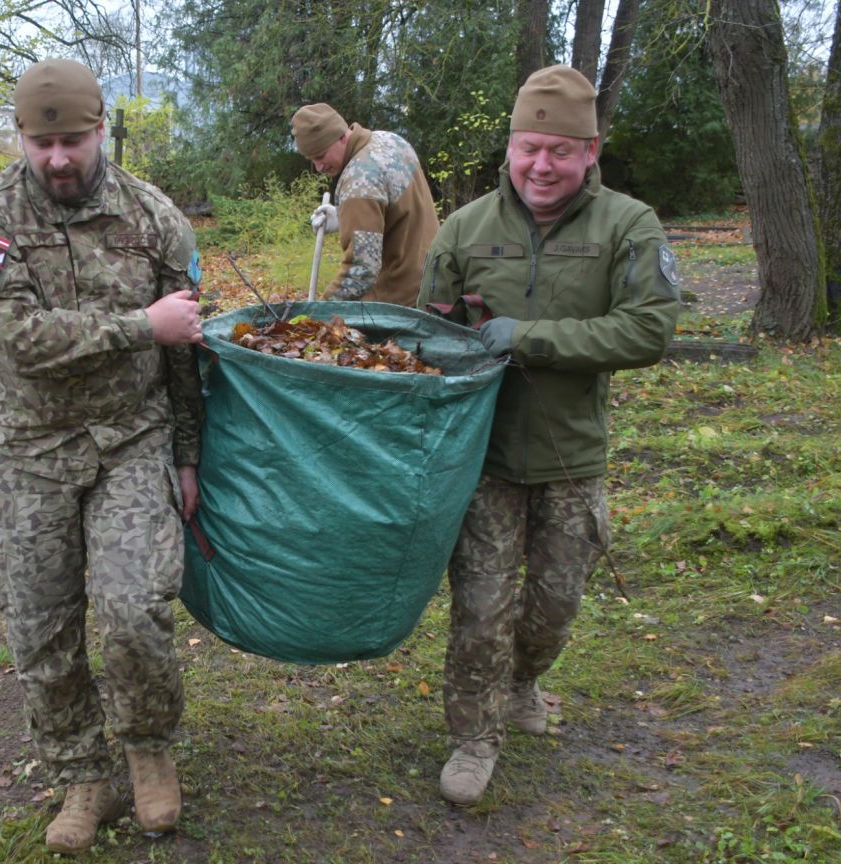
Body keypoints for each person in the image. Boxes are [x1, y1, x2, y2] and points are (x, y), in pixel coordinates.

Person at [0, 58, 205, 854]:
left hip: (132, 442)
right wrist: (139, 326)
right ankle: (81, 774)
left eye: (74, 138)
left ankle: (149, 751)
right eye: (41, 140)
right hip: (29, 450)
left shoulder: (155, 219)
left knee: (135, 612)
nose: (58, 157)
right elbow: (15, 340)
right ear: (21, 137)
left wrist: (189, 457)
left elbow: (187, 355)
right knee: (40, 627)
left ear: (102, 130)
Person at [418, 65, 681, 806]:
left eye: (560, 151)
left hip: (571, 455)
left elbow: (648, 329)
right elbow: (422, 336)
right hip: (484, 458)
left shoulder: (628, 226)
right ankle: (473, 738)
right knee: (481, 612)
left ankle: (525, 681)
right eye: (529, 147)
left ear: (590, 151)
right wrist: (451, 337)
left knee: (554, 610)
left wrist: (526, 337)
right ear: (510, 146)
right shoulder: (465, 227)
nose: (542, 165)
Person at [290, 102, 440, 306]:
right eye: (311, 160)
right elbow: (393, 210)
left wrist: (317, 314)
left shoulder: (357, 180)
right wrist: (345, 216)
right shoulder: (390, 141)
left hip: (400, 304)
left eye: (320, 156)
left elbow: (361, 271)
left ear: (341, 136)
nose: (318, 167)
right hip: (435, 282)